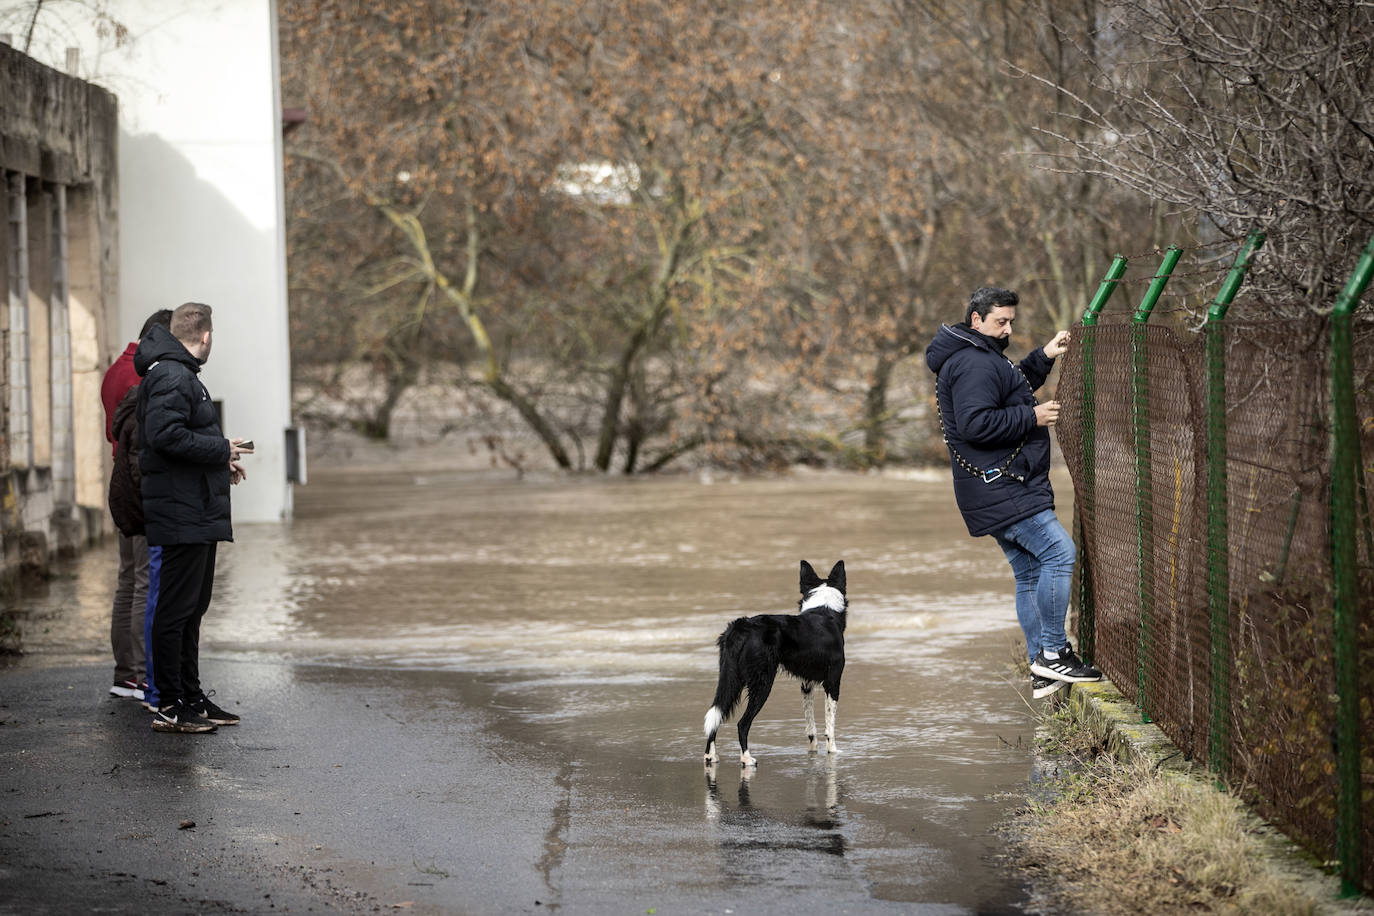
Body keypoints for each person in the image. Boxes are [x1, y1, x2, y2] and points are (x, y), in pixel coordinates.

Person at [924, 286, 1101, 699]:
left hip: (989, 487)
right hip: (1003, 485)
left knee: (1030, 572)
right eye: (1000, 321)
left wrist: (1044, 356)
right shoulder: (972, 362)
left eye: (1010, 322)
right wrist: (1033, 416)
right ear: (976, 319)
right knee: (1059, 553)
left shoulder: (976, 354)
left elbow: (1009, 384)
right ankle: (1054, 653)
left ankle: (1042, 667)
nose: (1006, 329)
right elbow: (975, 423)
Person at [135, 302, 251, 734]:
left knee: (193, 608)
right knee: (175, 611)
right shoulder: (170, 374)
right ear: (205, 337)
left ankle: (190, 696)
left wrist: (221, 459)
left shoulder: (181, 375)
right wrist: (221, 450)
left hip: (196, 509)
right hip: (180, 512)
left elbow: (184, 438)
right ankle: (169, 704)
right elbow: (164, 437)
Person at [100, 308, 172, 703]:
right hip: (139, 485)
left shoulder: (116, 369)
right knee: (144, 580)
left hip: (120, 483)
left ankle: (126, 673)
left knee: (128, 579)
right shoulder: (140, 374)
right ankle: (140, 674)